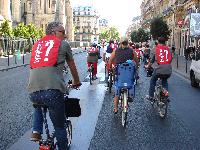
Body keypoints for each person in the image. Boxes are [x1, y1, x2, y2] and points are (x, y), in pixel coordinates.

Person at [27, 21, 81, 150]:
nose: (66, 35)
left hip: (33, 92)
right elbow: (72, 66)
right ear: (53, 33)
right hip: (53, 91)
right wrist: (77, 81)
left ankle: (36, 130)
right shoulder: (63, 44)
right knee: (60, 127)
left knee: (41, 98)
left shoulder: (37, 45)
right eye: (62, 32)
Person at [108, 37, 139, 114]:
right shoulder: (132, 51)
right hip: (129, 74)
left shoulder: (116, 50)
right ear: (127, 43)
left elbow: (110, 60)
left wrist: (110, 67)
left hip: (119, 74)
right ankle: (129, 97)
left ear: (120, 43)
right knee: (131, 82)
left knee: (117, 88)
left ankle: (115, 108)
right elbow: (136, 61)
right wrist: (137, 66)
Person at [146, 37, 172, 101]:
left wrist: (147, 66)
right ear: (165, 42)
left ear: (158, 42)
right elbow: (171, 58)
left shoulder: (155, 48)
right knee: (164, 81)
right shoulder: (168, 49)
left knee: (153, 80)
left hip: (159, 69)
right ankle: (166, 94)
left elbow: (151, 61)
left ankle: (151, 96)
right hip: (168, 69)